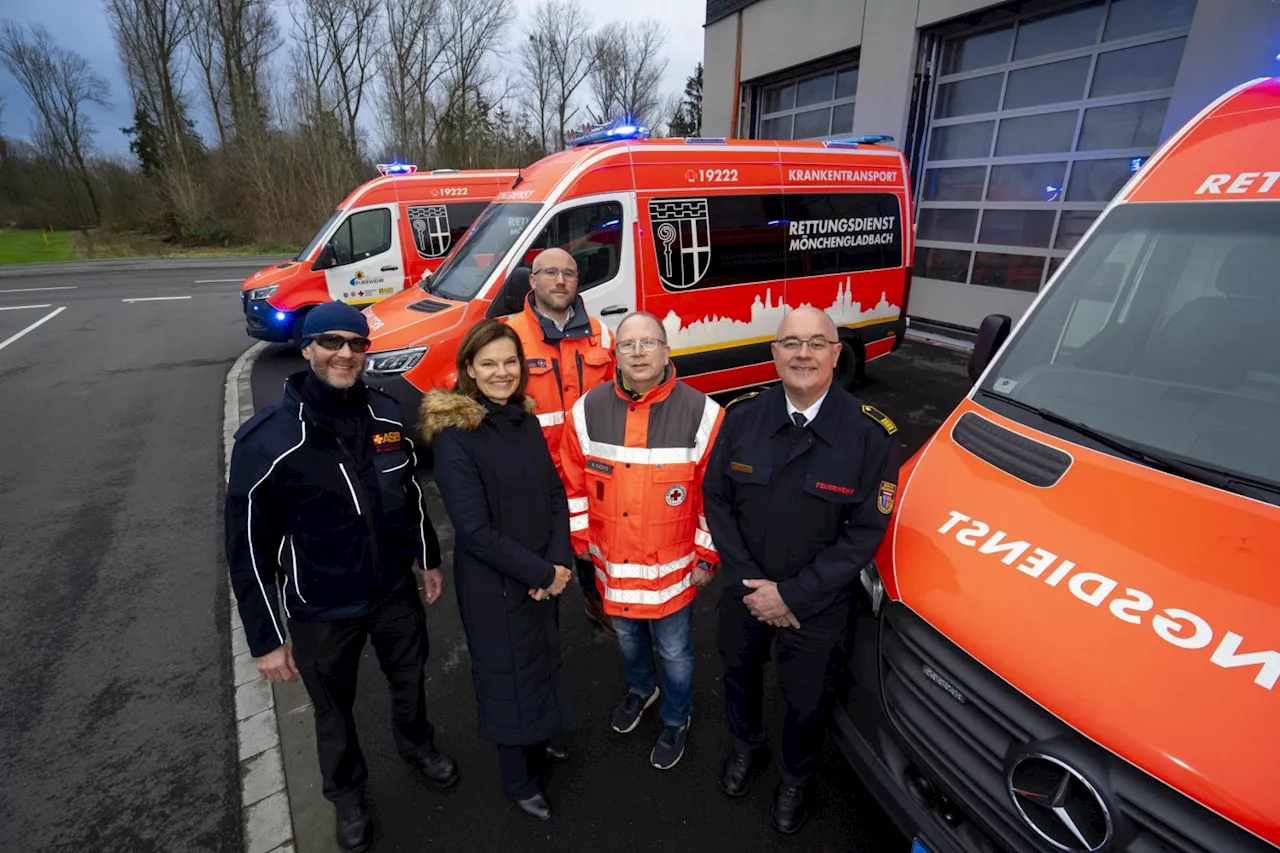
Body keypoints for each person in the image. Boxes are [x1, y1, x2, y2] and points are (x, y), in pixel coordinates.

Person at [225, 301, 459, 853]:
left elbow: (409, 495)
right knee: (333, 712)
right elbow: (246, 549)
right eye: (331, 342)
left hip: (393, 592)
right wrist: (266, 639)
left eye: (356, 343)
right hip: (321, 607)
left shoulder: (384, 414)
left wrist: (427, 556)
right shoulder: (268, 440)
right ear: (307, 350)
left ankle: (417, 744)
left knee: (410, 679)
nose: (345, 354)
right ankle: (347, 794)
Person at [702, 306, 900, 835]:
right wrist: (753, 588)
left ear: (837, 354)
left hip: (816, 604)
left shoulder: (870, 435)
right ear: (775, 354)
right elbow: (716, 498)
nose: (803, 353)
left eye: (816, 343)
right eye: (791, 343)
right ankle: (746, 747)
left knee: (807, 699)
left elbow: (864, 533)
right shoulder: (742, 417)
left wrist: (790, 595)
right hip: (745, 595)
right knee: (739, 677)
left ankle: (796, 776)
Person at [420, 318, 575, 822]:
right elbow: (474, 529)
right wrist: (541, 574)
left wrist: (556, 561)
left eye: (510, 361)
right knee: (505, 675)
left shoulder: (524, 420)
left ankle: (544, 734)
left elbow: (553, 493)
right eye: (488, 363)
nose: (502, 372)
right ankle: (518, 778)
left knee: (543, 658)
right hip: (495, 582)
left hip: (539, 571)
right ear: (468, 369)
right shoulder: (455, 437)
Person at [560, 312, 724, 770]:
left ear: (666, 351)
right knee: (629, 640)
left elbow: (717, 496)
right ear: (616, 354)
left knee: (675, 651)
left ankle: (676, 717)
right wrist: (582, 548)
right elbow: (574, 487)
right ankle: (640, 690)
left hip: (672, 570)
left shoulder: (704, 413)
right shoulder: (586, 411)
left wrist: (707, 556)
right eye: (628, 344)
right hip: (611, 565)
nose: (638, 352)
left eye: (648, 343)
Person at [504, 247, 617, 635]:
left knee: (592, 545)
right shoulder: (510, 336)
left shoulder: (602, 334)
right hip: (535, 472)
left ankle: (595, 601)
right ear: (532, 280)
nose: (560, 280)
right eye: (549, 272)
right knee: (536, 551)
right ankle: (535, 613)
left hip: (590, 470)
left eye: (569, 273)